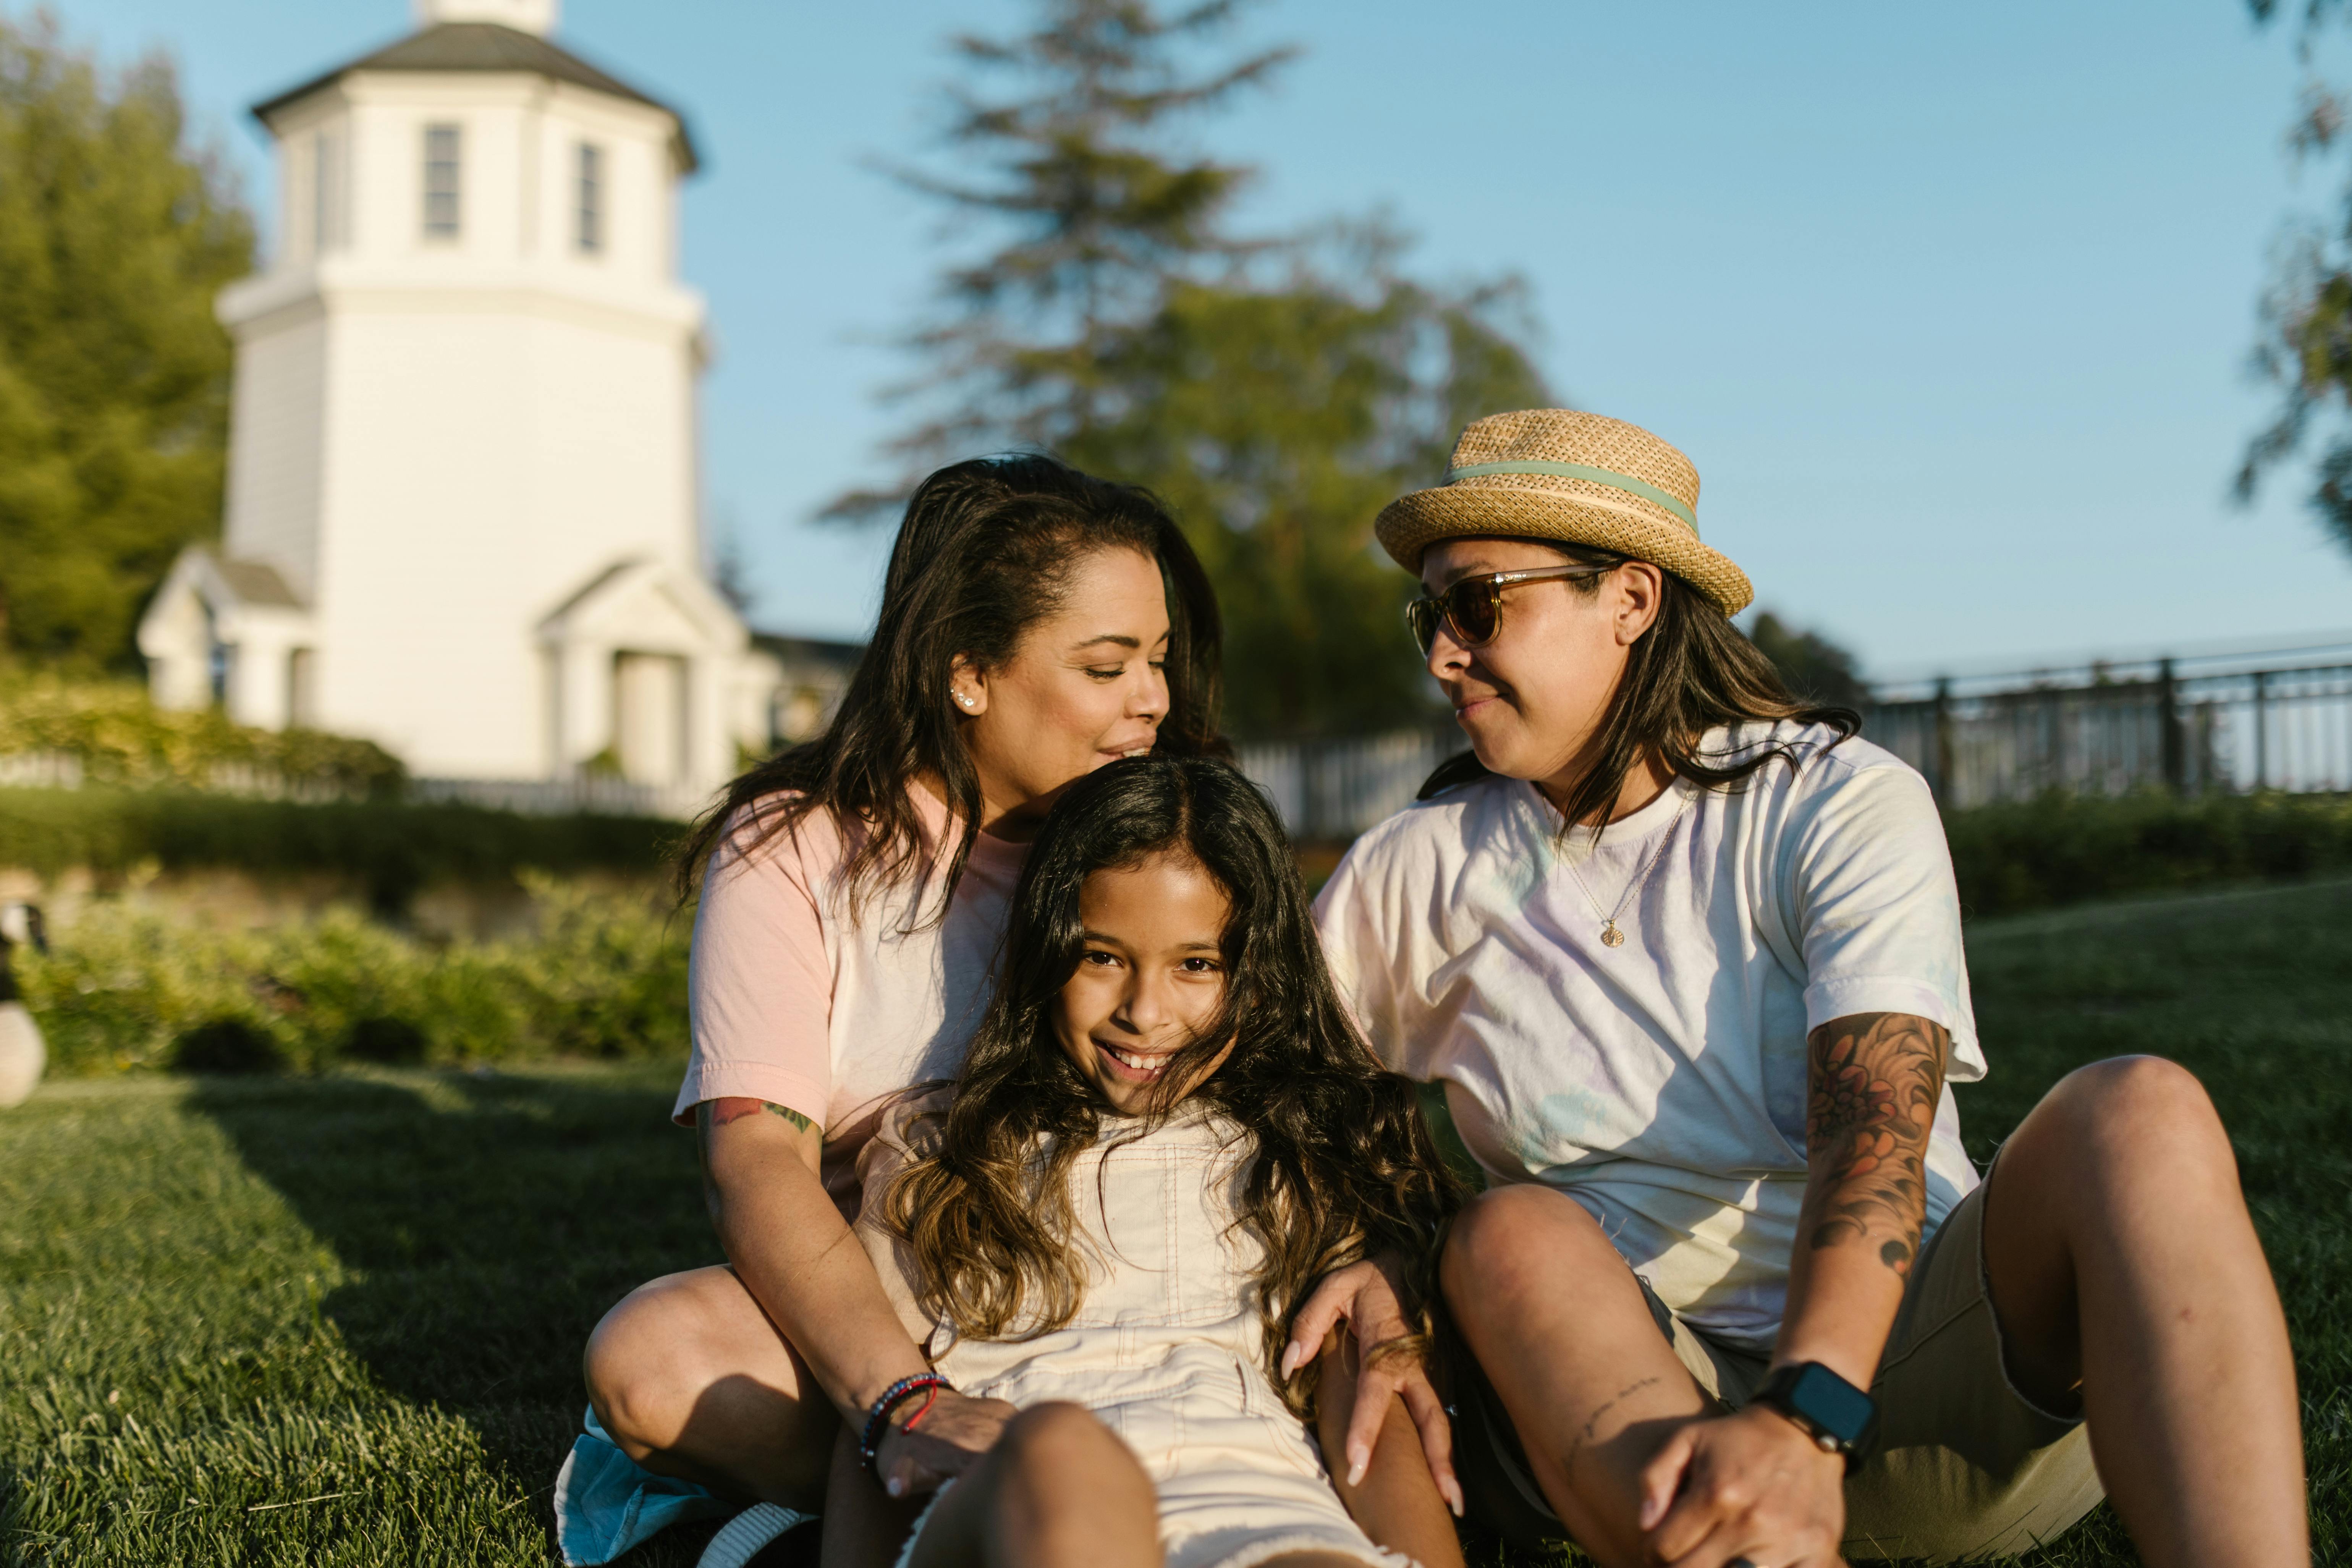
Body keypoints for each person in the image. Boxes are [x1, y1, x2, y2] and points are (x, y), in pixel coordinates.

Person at [1299, 409, 2308, 1567]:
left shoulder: (1830, 800)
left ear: (1628, 601)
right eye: (1427, 614)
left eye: (1476, 605)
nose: (1440, 652)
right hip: (1627, 1408)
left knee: (2139, 1110)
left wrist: (1805, 1418)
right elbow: (1273, 1099)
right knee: (1507, 1232)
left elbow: (1874, 1131)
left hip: (1920, 1389)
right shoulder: (1416, 865)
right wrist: (1362, 1243)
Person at [575, 455, 1228, 1542]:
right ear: (969, 672)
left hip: (1139, 1278)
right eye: (1107, 667)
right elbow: (756, 1157)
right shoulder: (801, 843)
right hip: (895, 1294)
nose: (1154, 700)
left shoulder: (1173, 835)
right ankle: (931, 1470)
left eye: (1157, 660)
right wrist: (901, 1398)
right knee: (655, 1360)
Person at [851, 753, 1465, 1568]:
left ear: (1257, 974)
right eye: (1101, 955)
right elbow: (868, 1416)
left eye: (1196, 965)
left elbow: (1371, 1395)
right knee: (1067, 1452)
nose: (1144, 1012)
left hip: (1256, 1504)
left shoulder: (1306, 1152)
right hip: (1029, 1504)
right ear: (1047, 945)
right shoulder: (946, 1158)